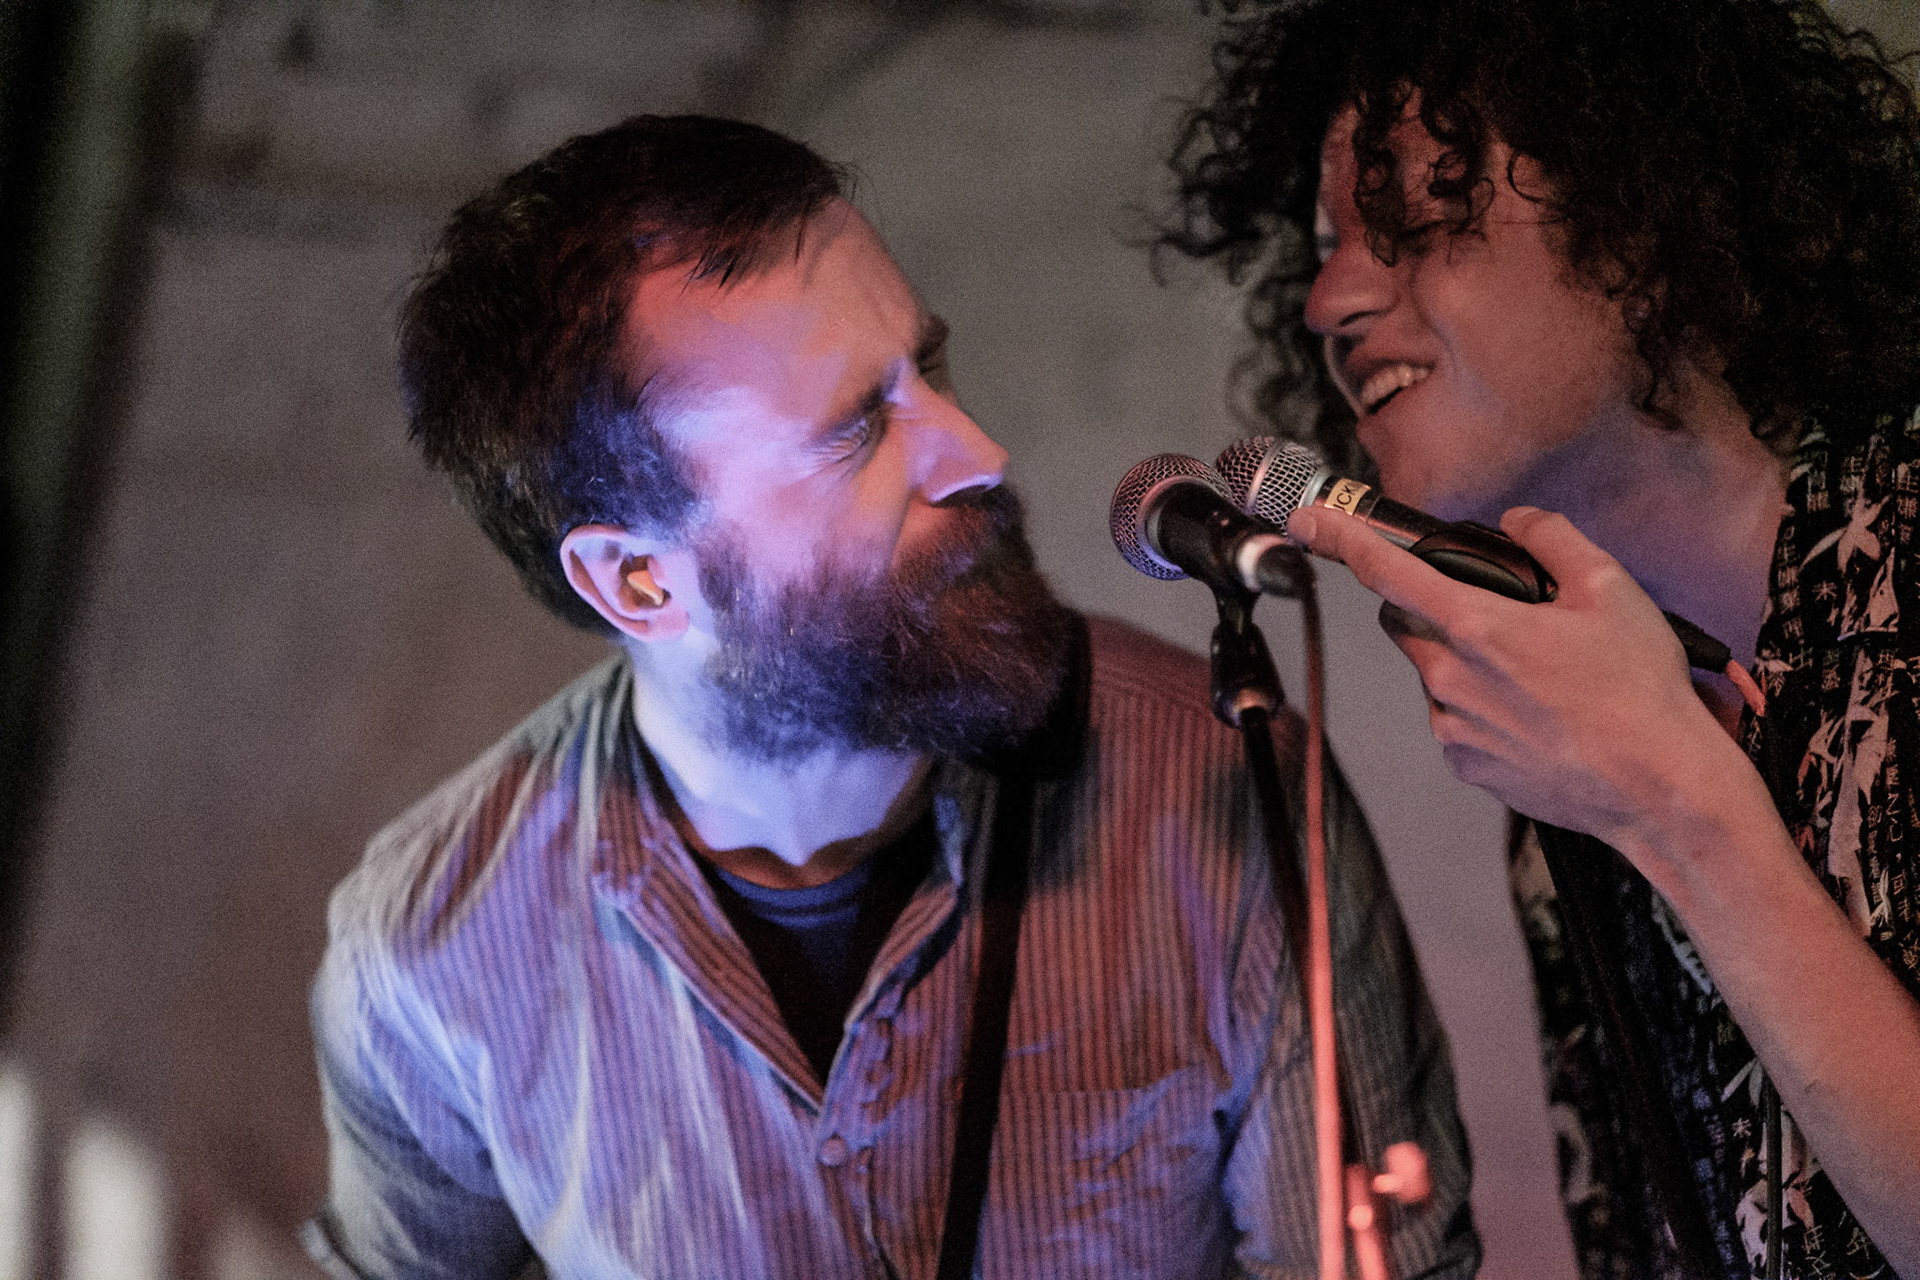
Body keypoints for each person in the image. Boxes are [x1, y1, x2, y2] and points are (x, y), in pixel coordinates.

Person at [303, 114, 1478, 1279]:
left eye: (935, 367)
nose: (973, 448)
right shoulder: (424, 948)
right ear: (641, 576)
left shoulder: (1229, 785)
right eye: (858, 426)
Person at [1163, 1, 1920, 1277]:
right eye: (1330, 247)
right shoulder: (1559, 750)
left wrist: (1671, 805)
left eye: (1415, 214)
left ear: (1646, 209)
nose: (1334, 300)